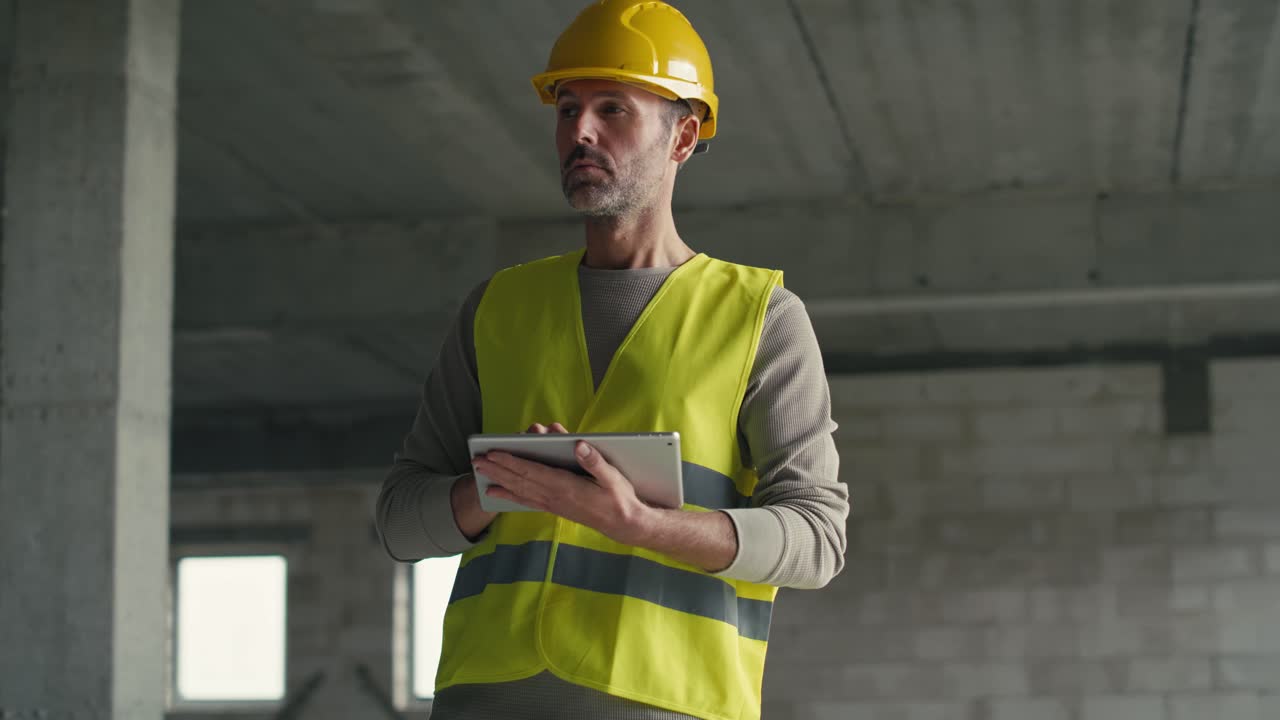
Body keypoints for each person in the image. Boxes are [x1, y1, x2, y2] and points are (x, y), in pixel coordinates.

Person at [375, 2, 849, 718]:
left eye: (612, 109)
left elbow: (817, 539)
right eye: (567, 109)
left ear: (682, 136)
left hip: (669, 701)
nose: (579, 132)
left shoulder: (760, 319)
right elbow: (399, 523)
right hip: (485, 699)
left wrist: (644, 525)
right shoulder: (497, 309)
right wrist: (499, 485)